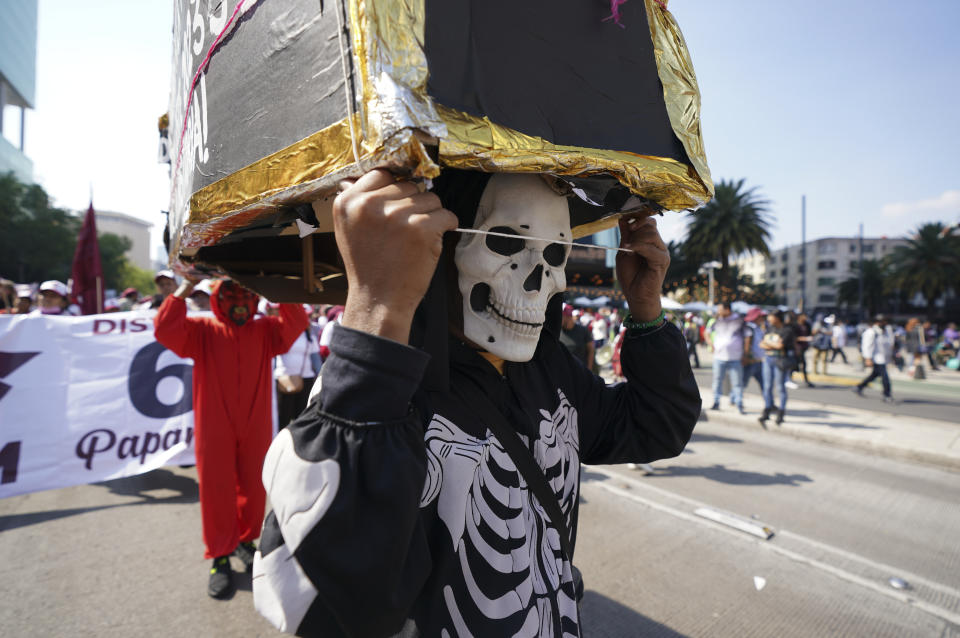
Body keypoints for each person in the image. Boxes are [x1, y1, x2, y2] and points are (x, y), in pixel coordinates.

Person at [252, 169, 700, 637]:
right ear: (439, 248)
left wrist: (647, 310)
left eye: (553, 254)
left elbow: (656, 426)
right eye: (505, 243)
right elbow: (322, 605)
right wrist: (376, 307)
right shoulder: (377, 392)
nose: (536, 281)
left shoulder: (549, 371)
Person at [153, 277, 308, 599]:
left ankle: (245, 540)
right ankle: (219, 557)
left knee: (253, 484)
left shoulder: (265, 330)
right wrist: (185, 287)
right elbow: (165, 328)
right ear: (217, 300)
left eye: (246, 295)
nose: (239, 302)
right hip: (214, 423)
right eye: (231, 296)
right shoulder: (201, 332)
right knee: (216, 487)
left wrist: (274, 289)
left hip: (255, 421)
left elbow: (297, 322)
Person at [706, 301, 746, 413]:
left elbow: (747, 336)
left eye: (720, 309)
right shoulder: (716, 320)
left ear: (727, 309)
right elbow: (707, 332)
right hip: (719, 357)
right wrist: (710, 344)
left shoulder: (739, 320)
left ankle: (739, 403)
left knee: (737, 382)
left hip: (735, 357)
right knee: (717, 381)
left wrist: (745, 353)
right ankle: (716, 402)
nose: (718, 311)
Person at [758, 310, 794, 426]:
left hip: (780, 360)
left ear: (777, 318)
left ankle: (781, 411)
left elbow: (780, 346)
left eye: (771, 316)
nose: (768, 319)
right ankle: (767, 408)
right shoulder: (770, 329)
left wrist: (769, 344)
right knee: (767, 386)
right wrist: (773, 344)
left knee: (780, 387)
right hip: (768, 359)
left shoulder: (787, 330)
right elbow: (761, 344)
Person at [853, 314, 895, 403]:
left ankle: (859, 387)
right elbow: (866, 346)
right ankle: (887, 394)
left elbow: (889, 344)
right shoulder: (871, 332)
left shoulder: (886, 331)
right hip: (877, 358)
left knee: (874, 375)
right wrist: (868, 358)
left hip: (884, 358)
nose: (885, 323)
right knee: (885, 377)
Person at [559, 302, 594, 370]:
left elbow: (591, 351)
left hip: (580, 372)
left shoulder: (583, 331)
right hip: (562, 372)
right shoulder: (557, 332)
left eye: (560, 315)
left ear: (567, 316)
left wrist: (589, 370)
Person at [742, 307, 766, 391]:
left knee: (764, 383)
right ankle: (735, 399)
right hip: (750, 360)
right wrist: (746, 356)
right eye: (760, 316)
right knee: (743, 383)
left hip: (759, 360)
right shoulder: (748, 327)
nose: (762, 319)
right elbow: (747, 344)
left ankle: (769, 403)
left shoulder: (758, 328)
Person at [793, 313, 815, 387]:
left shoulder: (807, 324)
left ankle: (806, 380)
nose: (805, 318)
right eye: (804, 316)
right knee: (795, 364)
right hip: (796, 347)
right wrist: (805, 338)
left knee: (802, 364)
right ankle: (789, 379)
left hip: (803, 347)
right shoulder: (795, 325)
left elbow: (810, 334)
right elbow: (793, 337)